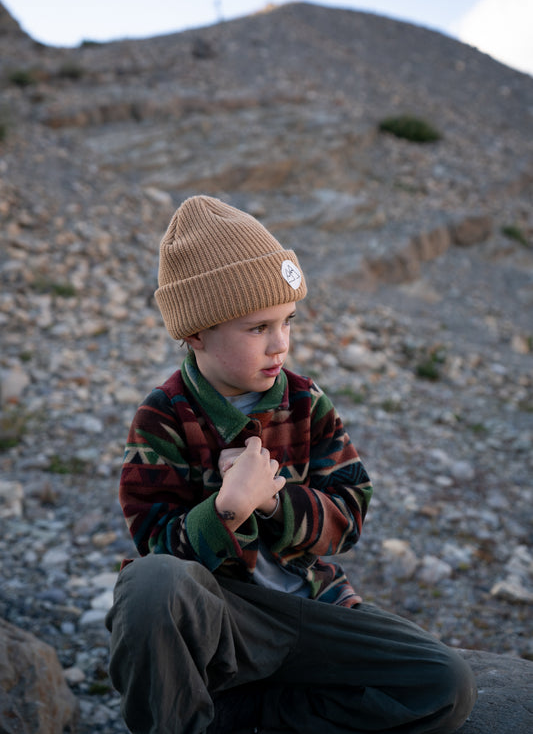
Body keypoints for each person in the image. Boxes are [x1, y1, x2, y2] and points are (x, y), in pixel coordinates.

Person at [105, 195, 476, 734]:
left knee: (444, 684)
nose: (280, 344)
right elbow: (158, 550)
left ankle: (261, 718)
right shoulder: (162, 418)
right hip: (226, 621)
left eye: (288, 321)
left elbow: (350, 514)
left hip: (314, 607)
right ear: (196, 332)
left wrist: (274, 501)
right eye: (257, 328)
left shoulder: (306, 403)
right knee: (147, 586)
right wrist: (228, 509)